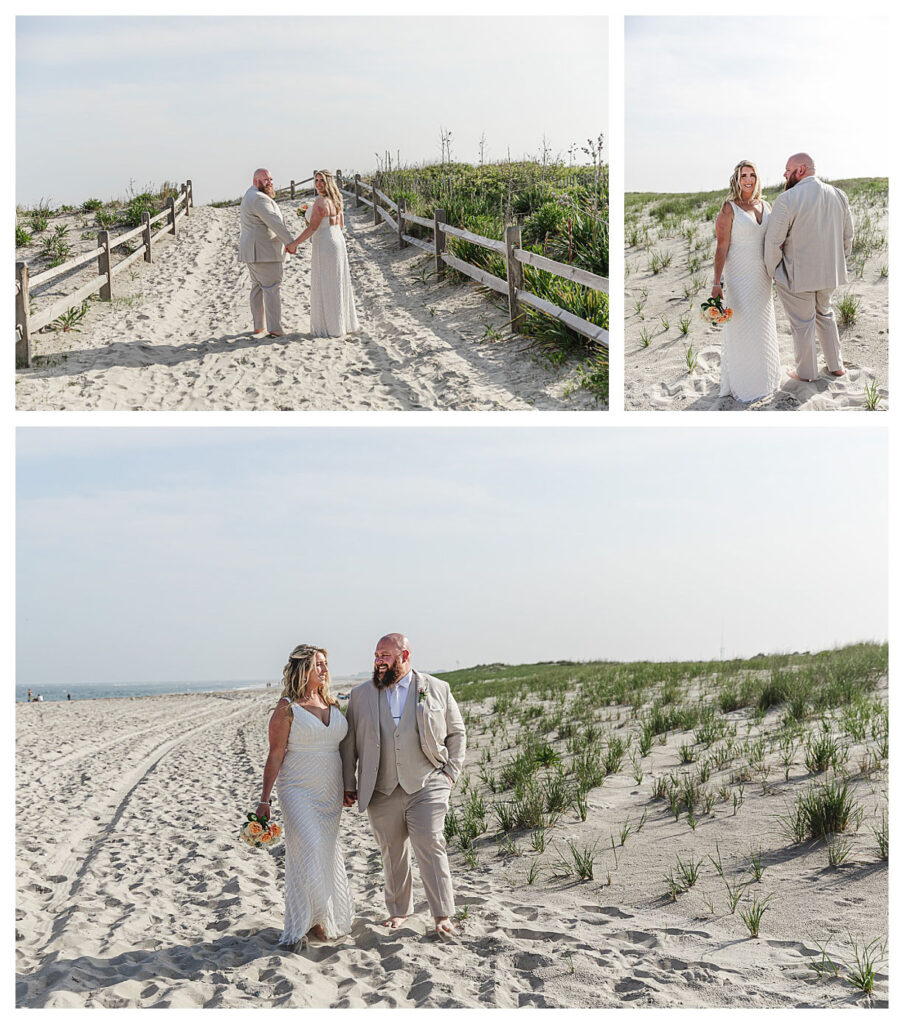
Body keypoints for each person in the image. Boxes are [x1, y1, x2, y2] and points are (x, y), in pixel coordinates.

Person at [339, 633, 465, 941]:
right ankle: (398, 911)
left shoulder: (437, 688)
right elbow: (349, 744)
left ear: (405, 657)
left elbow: (456, 733)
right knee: (391, 851)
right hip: (381, 787)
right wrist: (349, 783)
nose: (378, 660)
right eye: (376, 655)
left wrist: (450, 774)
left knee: (430, 842)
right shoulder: (360, 695)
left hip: (427, 782)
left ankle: (442, 915)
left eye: (385, 655)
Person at [255, 644, 354, 949]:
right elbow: (275, 756)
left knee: (324, 851)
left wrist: (349, 785)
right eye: (318, 665)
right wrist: (264, 800)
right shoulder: (287, 708)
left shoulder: (331, 703)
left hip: (330, 791)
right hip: (297, 790)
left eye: (326, 664)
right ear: (303, 670)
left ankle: (320, 921)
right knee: (309, 849)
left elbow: (344, 749)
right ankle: (305, 921)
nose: (324, 670)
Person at [764, 152, 853, 382]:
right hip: (829, 274)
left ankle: (806, 374)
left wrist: (774, 271)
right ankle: (837, 366)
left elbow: (773, 242)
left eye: (788, 169)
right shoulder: (839, 195)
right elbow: (848, 237)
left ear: (801, 170)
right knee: (825, 314)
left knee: (803, 324)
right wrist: (838, 263)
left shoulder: (788, 199)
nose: (784, 174)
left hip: (797, 275)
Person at [711, 160, 782, 402]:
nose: (748, 179)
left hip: (762, 276)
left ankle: (766, 377)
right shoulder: (729, 208)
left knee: (762, 323)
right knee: (743, 325)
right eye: (744, 175)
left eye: (752, 174)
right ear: (737, 179)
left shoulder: (767, 205)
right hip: (739, 275)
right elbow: (721, 247)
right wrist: (716, 282)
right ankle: (746, 383)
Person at [289, 170, 360, 337]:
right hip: (338, 239)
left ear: (329, 182)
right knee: (337, 281)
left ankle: (332, 328)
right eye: (316, 180)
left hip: (326, 242)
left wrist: (294, 244)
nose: (319, 183)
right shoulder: (337, 199)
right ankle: (342, 324)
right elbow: (340, 224)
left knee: (327, 283)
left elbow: (312, 228)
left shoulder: (321, 202)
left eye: (322, 180)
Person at [238, 168, 298, 339]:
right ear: (256, 181)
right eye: (266, 180)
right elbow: (275, 223)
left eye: (271, 179)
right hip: (264, 252)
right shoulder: (258, 199)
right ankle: (275, 329)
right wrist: (290, 242)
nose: (270, 182)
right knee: (272, 288)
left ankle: (259, 327)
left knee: (257, 288)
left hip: (254, 251)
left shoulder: (250, 195)